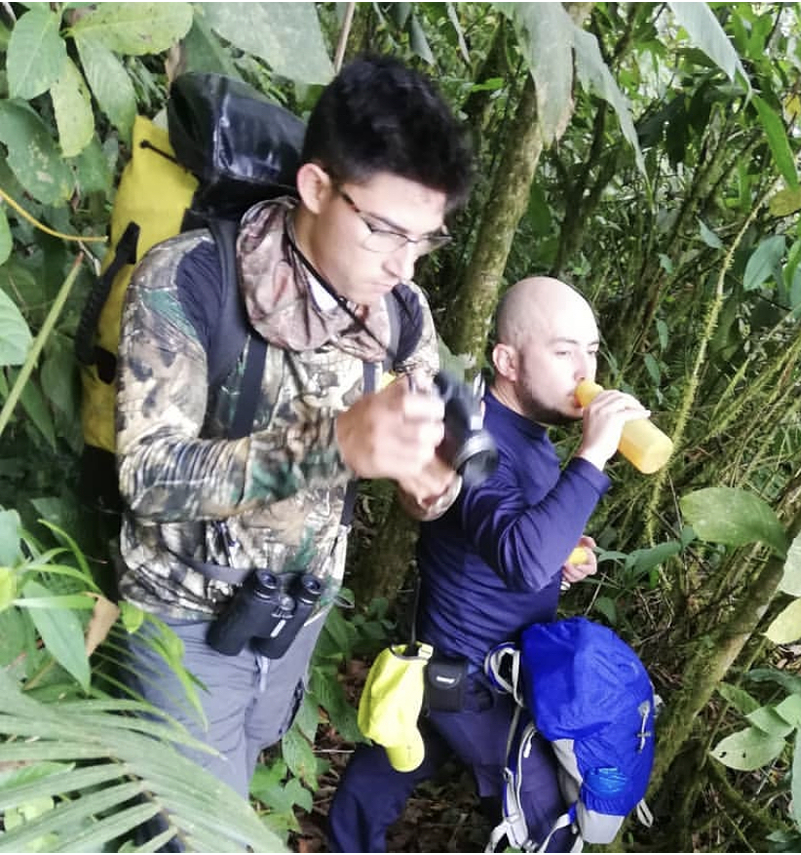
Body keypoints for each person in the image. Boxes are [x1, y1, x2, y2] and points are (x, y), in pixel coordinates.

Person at [113, 53, 475, 801]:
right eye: (384, 231)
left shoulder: (402, 315)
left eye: (425, 240)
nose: (405, 266)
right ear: (316, 187)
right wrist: (332, 442)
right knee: (201, 830)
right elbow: (146, 477)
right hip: (184, 615)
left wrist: (430, 484)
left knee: (241, 781)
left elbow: (424, 482)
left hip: (293, 619)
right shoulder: (190, 281)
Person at [327, 275, 655, 852]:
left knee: (375, 783)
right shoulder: (472, 438)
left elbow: (522, 546)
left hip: (472, 666)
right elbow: (522, 559)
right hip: (471, 680)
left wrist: (563, 558)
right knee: (549, 826)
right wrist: (594, 453)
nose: (585, 371)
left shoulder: (529, 435)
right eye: (563, 351)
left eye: (592, 351)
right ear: (506, 359)